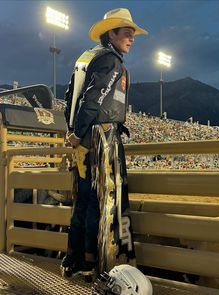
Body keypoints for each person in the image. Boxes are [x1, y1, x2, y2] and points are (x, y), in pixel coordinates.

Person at [61, 8, 148, 277]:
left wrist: (74, 132)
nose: (131, 39)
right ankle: (95, 262)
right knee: (102, 201)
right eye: (127, 33)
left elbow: (70, 99)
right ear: (111, 33)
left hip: (85, 140)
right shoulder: (111, 61)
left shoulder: (88, 58)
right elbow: (95, 99)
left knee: (83, 201)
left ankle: (74, 260)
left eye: (133, 35)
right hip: (101, 139)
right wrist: (79, 132)